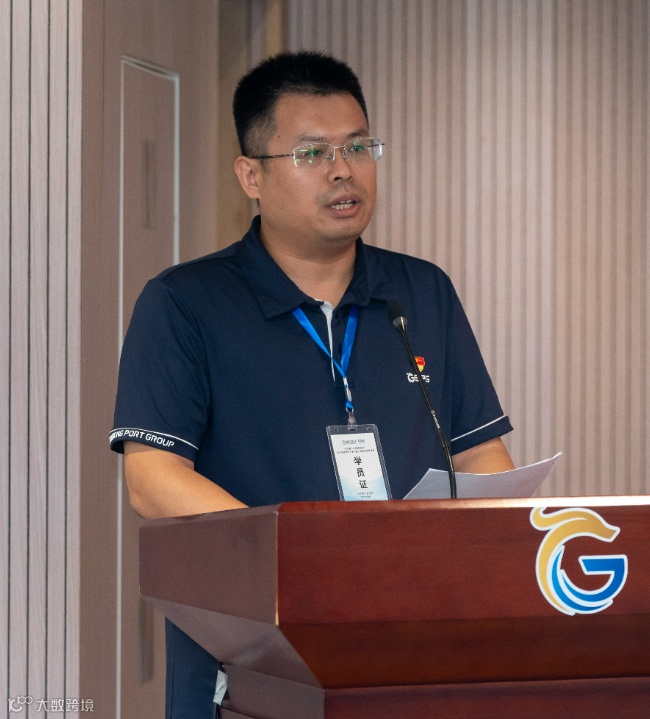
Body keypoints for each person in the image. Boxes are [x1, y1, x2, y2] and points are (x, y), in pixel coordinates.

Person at [110, 50, 514, 719]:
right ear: (251, 175)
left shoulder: (421, 292)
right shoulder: (186, 302)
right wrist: (300, 559)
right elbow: (151, 478)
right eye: (312, 153)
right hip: (251, 661)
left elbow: (479, 453)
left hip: (410, 647)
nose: (342, 169)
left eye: (358, 146)